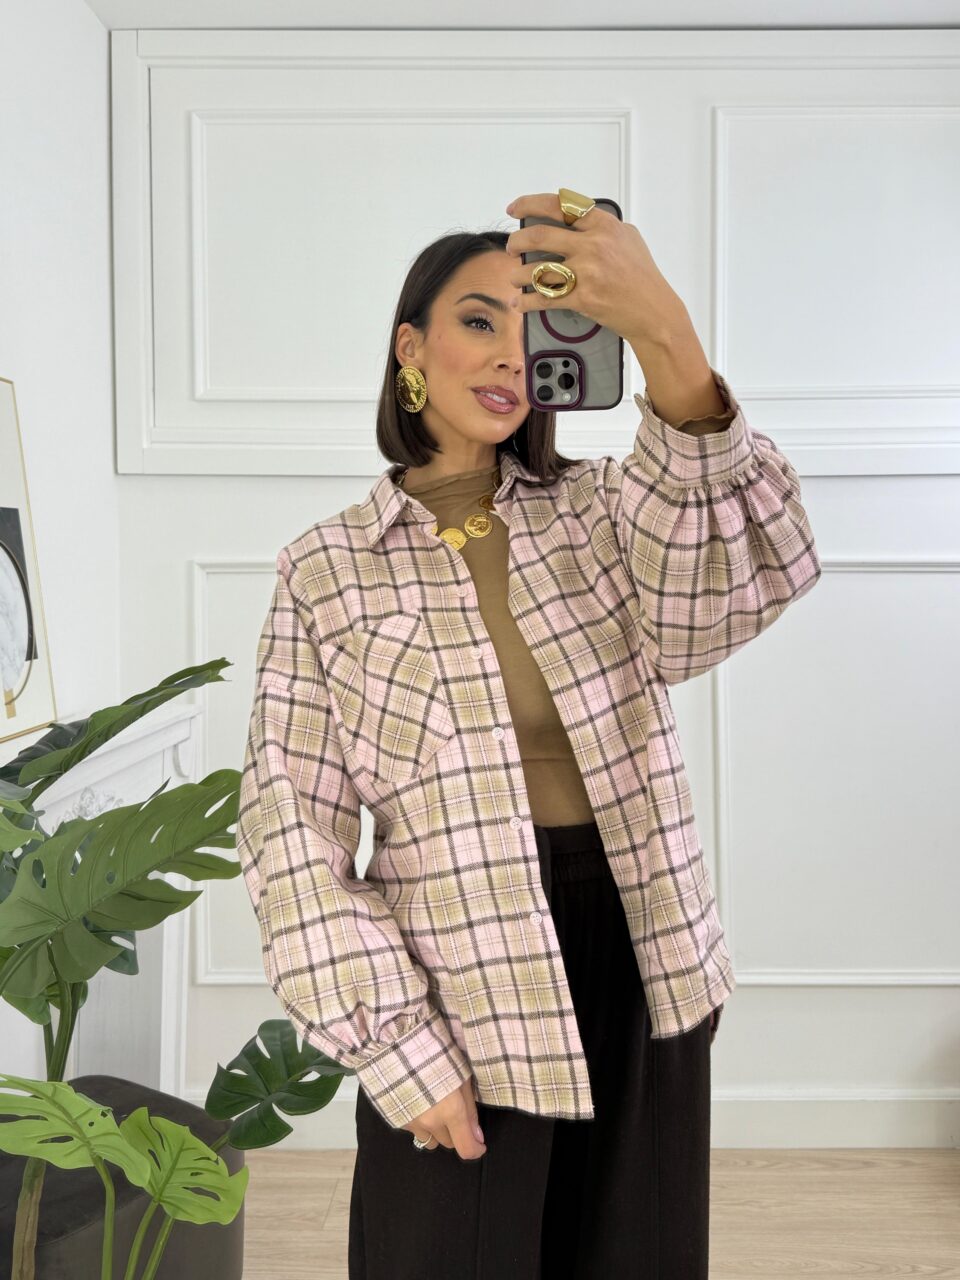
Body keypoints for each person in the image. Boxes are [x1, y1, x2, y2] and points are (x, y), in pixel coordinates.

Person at [236, 188, 821, 1278]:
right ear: (411, 346)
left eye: (539, 324)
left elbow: (735, 589)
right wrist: (397, 1046)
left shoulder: (607, 512)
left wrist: (665, 333)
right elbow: (291, 833)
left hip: (641, 944)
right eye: (478, 319)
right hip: (458, 972)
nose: (512, 351)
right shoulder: (325, 568)